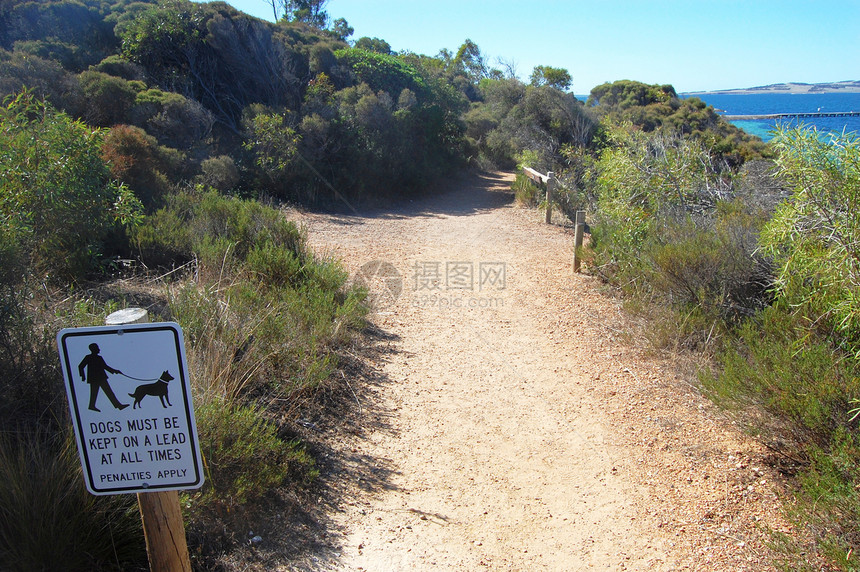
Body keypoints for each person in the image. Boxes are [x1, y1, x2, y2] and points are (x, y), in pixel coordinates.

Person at [78, 343, 128, 412]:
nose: (99, 349)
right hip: (96, 378)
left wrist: (115, 371)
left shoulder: (99, 358)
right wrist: (83, 376)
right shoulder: (88, 357)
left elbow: (105, 367)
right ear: (94, 349)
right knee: (97, 393)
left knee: (107, 392)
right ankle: (92, 406)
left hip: (100, 377)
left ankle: (118, 405)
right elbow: (80, 366)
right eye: (97, 348)